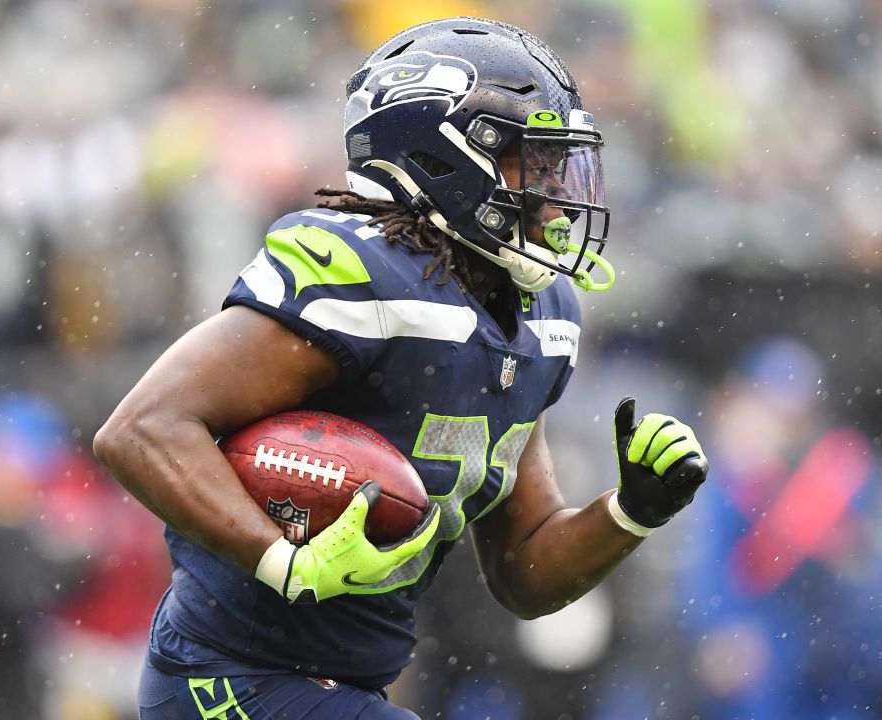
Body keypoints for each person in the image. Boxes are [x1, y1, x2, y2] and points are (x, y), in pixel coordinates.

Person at [94, 17, 709, 719]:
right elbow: (142, 429)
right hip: (228, 678)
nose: (552, 190)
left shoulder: (538, 318)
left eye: (554, 165)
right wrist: (282, 561)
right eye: (530, 163)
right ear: (442, 157)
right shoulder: (363, 277)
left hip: (349, 687)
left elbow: (523, 571)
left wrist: (630, 513)